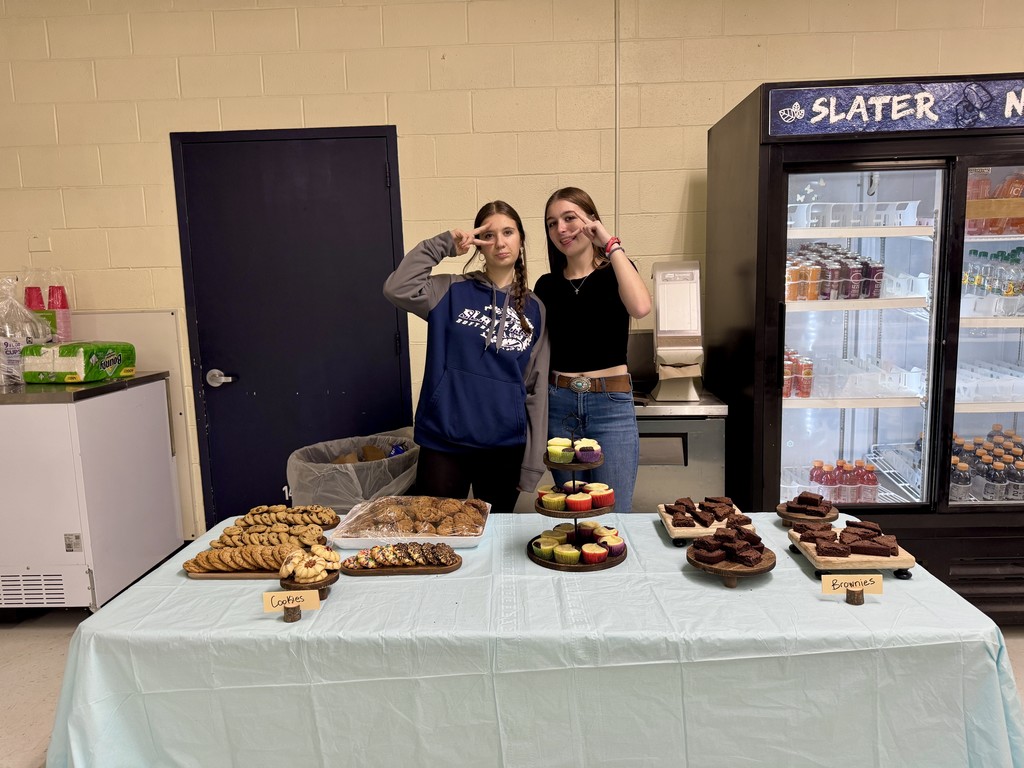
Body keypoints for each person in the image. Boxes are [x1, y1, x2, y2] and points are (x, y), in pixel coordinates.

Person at [383, 200, 549, 512]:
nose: (500, 242)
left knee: (494, 541)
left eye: (508, 232)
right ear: (478, 245)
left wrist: (532, 464)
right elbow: (397, 287)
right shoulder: (449, 290)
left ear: (521, 239)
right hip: (444, 442)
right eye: (489, 235)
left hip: (504, 447)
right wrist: (444, 244)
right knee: (438, 539)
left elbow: (536, 390)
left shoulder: (536, 309)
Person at [534, 187, 652, 512]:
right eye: (551, 223)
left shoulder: (617, 270)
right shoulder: (546, 285)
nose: (561, 229)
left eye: (570, 218)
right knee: (575, 513)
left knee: (614, 514)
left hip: (610, 405)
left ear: (591, 221)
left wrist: (610, 243)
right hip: (560, 406)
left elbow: (641, 307)